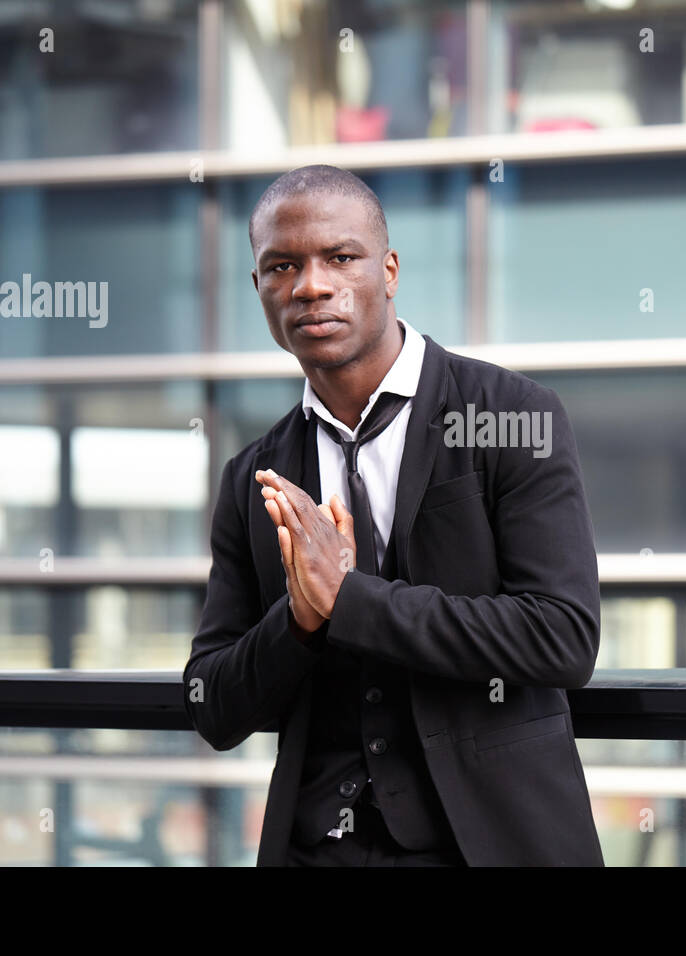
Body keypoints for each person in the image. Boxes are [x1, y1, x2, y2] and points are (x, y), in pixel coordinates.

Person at [182, 164, 604, 866]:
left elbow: (562, 637)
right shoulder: (252, 476)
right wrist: (300, 621)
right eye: (281, 266)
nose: (311, 285)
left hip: (491, 842)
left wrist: (350, 601)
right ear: (259, 290)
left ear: (389, 270)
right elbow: (213, 703)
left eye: (340, 258)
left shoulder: (512, 416)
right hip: (319, 848)